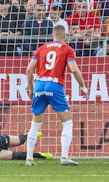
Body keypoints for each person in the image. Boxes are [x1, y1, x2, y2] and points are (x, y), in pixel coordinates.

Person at [25, 25, 88, 166]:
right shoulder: (67, 49)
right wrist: (83, 87)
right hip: (54, 84)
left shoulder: (42, 48)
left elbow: (29, 70)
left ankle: (29, 158)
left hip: (39, 84)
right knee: (67, 122)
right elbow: (74, 70)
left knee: (35, 124)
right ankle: (64, 157)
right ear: (64, 36)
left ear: (52, 34)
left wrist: (31, 89)